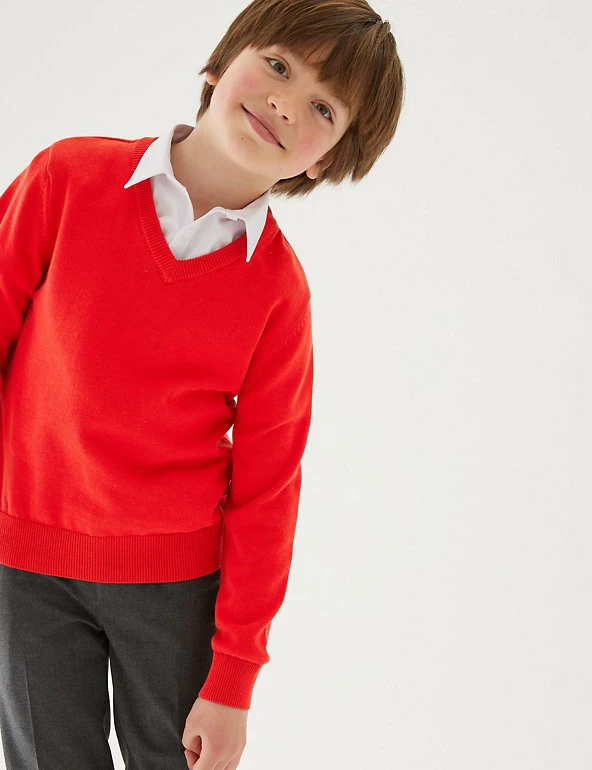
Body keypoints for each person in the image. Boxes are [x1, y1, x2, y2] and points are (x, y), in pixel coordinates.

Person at [0, 0, 405, 767]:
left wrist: (234, 681)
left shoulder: (277, 294)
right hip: (24, 563)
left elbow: (267, 489)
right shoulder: (67, 179)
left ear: (327, 159)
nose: (286, 102)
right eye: (278, 65)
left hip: (176, 590)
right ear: (220, 64)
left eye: (323, 107)